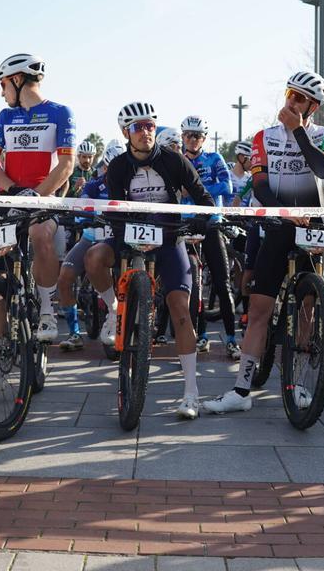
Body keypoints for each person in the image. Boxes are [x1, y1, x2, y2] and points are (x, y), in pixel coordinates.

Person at [204, 71, 324, 415]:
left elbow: (322, 169)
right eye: (289, 93)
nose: (291, 101)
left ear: (313, 106)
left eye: (300, 98)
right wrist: (285, 212)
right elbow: (260, 186)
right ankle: (241, 389)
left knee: (309, 307)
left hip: (313, 226)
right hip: (278, 225)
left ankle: (301, 384)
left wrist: (298, 131)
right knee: (260, 309)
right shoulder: (264, 137)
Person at [84, 101, 215, 419]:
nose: (145, 132)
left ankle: (191, 394)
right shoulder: (117, 167)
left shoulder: (174, 160)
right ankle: (115, 312)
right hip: (129, 235)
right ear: (125, 132)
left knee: (181, 310)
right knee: (94, 257)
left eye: (150, 126)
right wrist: (121, 235)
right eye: (138, 127)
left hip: (169, 238)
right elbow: (115, 210)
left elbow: (204, 198)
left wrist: (200, 220)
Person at [0, 53, 75, 343]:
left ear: (17, 79)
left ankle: (47, 309)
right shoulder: (6, 116)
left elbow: (65, 166)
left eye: (3, 84)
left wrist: (35, 196)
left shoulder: (60, 112)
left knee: (39, 232)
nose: (1, 92)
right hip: (10, 199)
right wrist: (13, 191)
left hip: (43, 199)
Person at [179, 114, 239, 357]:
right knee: (192, 286)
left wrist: (194, 191)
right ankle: (200, 335)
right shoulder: (177, 160)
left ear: (204, 138)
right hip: (186, 224)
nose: (193, 140)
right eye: (189, 136)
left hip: (211, 223)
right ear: (183, 137)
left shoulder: (215, 159)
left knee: (222, 283)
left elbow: (227, 187)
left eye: (198, 136)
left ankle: (232, 339)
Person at [57, 140, 125, 352]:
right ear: (104, 166)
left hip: (118, 240)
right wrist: (84, 215)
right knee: (65, 278)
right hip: (91, 237)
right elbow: (83, 203)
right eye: (109, 167)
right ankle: (75, 333)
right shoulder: (94, 184)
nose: (112, 172)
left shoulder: (130, 183)